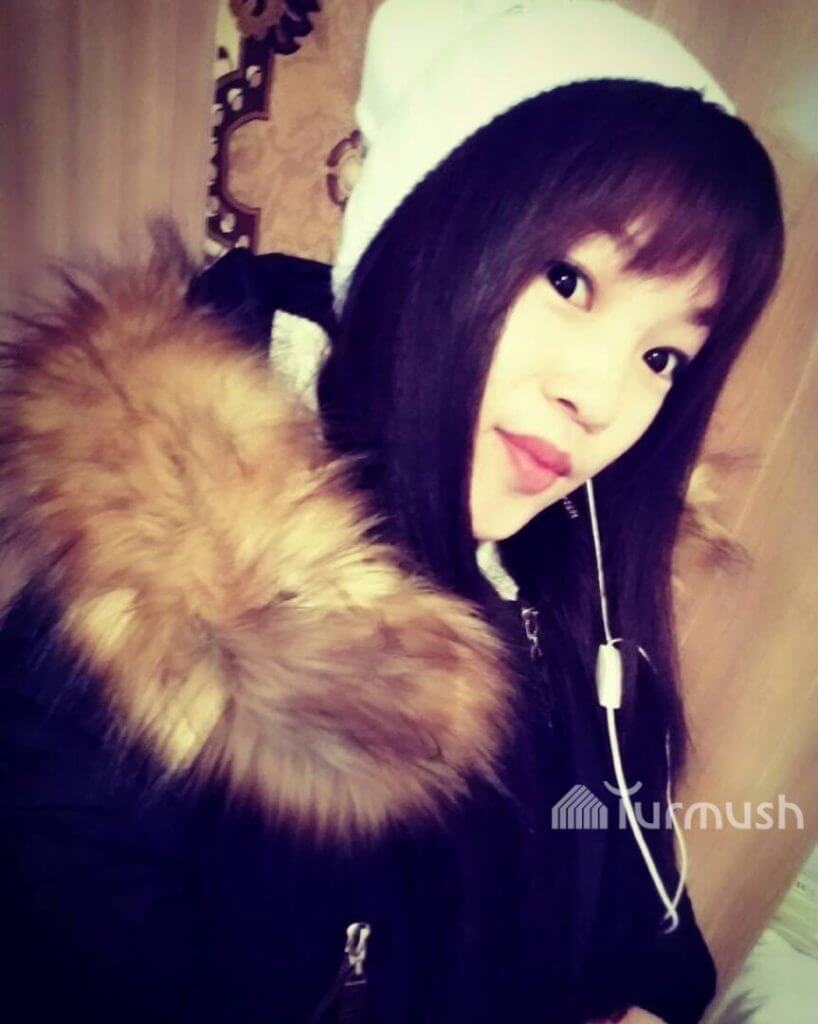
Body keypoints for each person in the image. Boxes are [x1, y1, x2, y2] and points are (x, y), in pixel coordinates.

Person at [0, 1, 784, 1022]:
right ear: (422, 226)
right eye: (567, 279)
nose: (600, 398)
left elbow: (646, 929)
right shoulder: (133, 638)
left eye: (662, 355)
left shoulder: (576, 588)